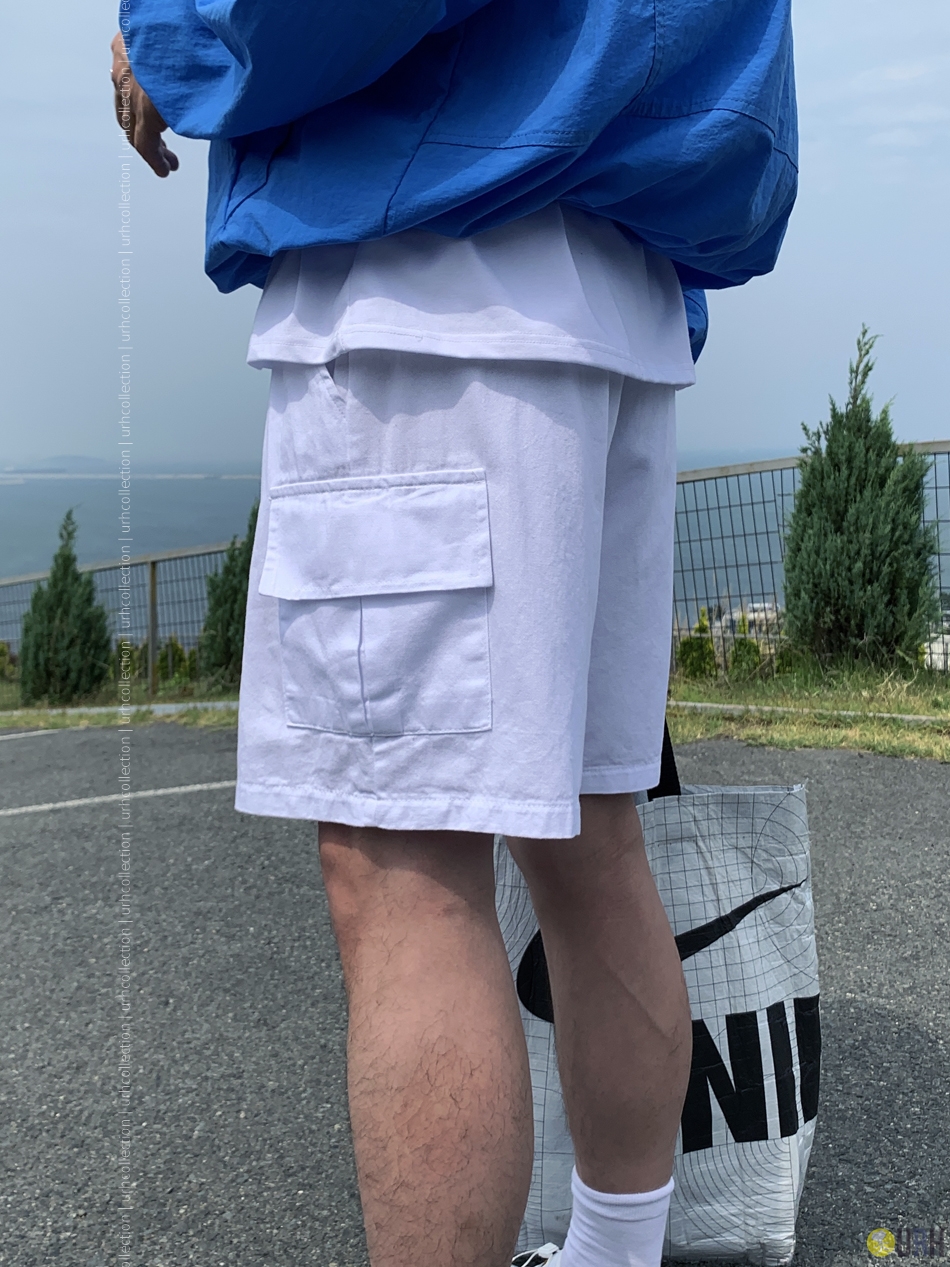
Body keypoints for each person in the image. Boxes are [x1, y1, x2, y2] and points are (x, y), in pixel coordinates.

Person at [111, 4, 796, 1266]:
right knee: (592, 836)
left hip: (430, 272)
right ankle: (610, 1253)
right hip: (621, 293)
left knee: (404, 864)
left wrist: (171, 35)